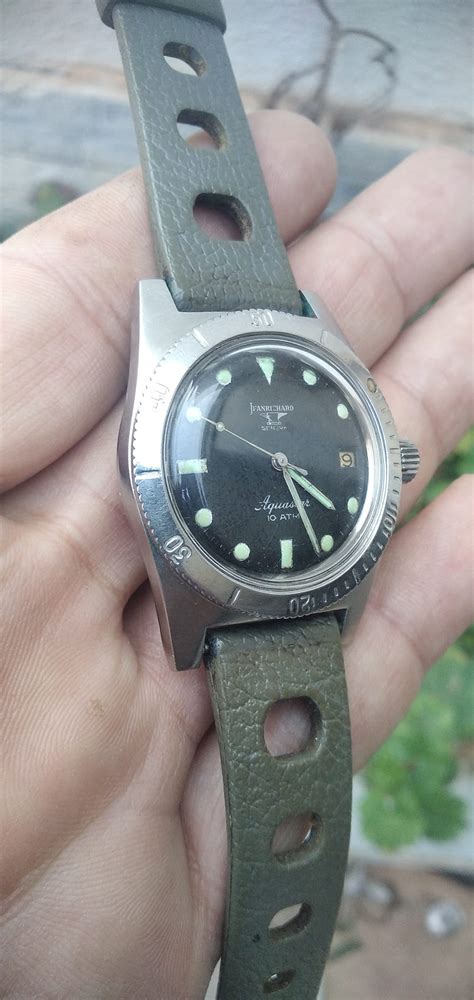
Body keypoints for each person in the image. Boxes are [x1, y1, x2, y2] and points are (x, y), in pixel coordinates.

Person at [1, 110, 472, 999]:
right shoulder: (167, 357)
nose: (283, 464)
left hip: (313, 580)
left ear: (389, 459)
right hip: (223, 598)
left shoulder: (331, 383)